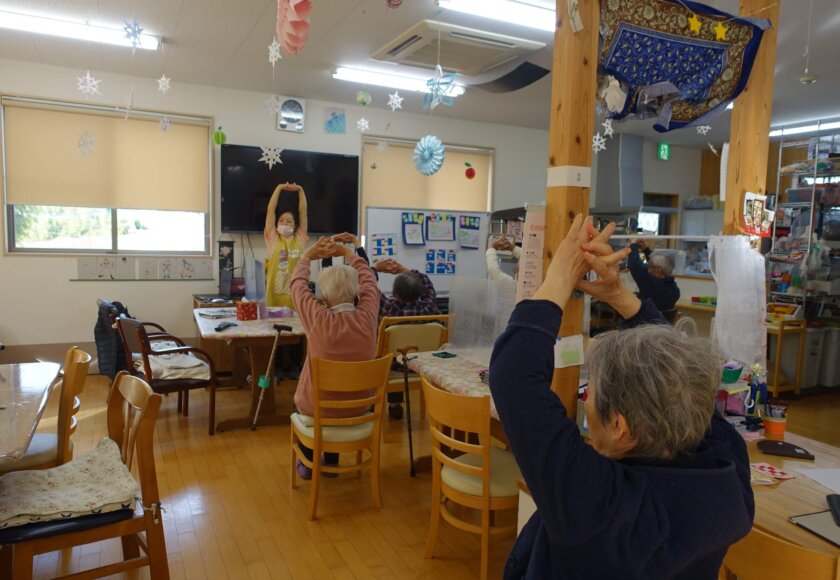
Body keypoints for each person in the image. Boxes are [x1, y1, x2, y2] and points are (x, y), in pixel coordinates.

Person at [489, 215, 753, 579]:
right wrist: (618, 295)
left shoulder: (596, 504)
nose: (586, 400)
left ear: (619, 426)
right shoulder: (726, 475)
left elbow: (513, 377)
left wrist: (559, 278)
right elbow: (681, 378)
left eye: (590, 393)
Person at [290, 237, 379, 480]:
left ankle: (309, 461)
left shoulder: (317, 319)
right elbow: (370, 280)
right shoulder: (369, 316)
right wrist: (347, 252)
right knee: (337, 393)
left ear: (325, 299)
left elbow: (296, 285)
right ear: (357, 293)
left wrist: (307, 255)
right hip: (360, 406)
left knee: (302, 400)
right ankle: (332, 459)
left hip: (317, 411)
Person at [375, 258, 440, 419]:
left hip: (391, 367)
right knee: (400, 357)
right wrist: (404, 269)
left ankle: (391, 404)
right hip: (421, 365)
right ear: (420, 292)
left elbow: (367, 286)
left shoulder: (389, 308)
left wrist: (374, 268)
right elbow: (426, 283)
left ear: (395, 294)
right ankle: (397, 404)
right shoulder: (429, 307)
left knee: (390, 357)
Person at [264, 182, 308, 309]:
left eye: (289, 221)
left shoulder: (299, 238)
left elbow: (303, 213)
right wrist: (279, 188)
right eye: (281, 220)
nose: (284, 223)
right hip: (273, 297)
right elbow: (270, 210)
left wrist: (300, 190)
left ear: (295, 226)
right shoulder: (273, 238)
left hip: (295, 295)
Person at [627, 239, 680, 315]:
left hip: (646, 324)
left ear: (658, 271)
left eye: (649, 267)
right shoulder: (675, 290)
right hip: (664, 325)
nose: (648, 269)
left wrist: (633, 244)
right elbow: (656, 263)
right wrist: (645, 249)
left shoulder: (650, 284)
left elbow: (634, 264)